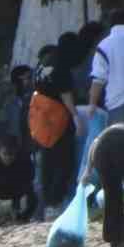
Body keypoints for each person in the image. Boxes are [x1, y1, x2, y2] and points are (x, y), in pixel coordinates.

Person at [33, 32, 82, 214]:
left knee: (47, 162)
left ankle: (46, 204)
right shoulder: (62, 65)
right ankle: (56, 202)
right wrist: (76, 118)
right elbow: (65, 94)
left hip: (40, 119)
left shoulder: (41, 66)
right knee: (64, 161)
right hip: (58, 120)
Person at [0, 134, 38, 228]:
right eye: (5, 154)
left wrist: (18, 201)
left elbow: (29, 180)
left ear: (16, 152)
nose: (8, 158)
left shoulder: (24, 157)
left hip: (16, 189)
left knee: (32, 197)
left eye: (11, 154)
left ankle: (22, 219)